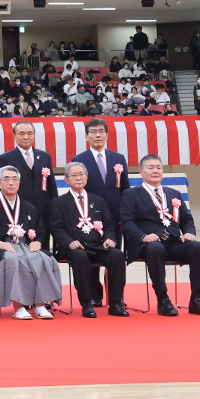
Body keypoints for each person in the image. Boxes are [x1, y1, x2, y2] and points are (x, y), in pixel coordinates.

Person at [120, 154, 200, 316]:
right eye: (150, 168)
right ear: (141, 172)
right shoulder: (131, 194)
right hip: (147, 244)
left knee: (199, 247)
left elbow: (186, 219)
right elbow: (126, 222)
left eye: (158, 167)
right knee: (156, 248)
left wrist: (189, 233)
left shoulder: (174, 193)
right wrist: (143, 236)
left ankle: (196, 299)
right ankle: (162, 298)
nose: (155, 171)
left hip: (172, 242)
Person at [0, 165, 62, 320]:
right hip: (4, 247)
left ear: (19, 183)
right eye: (6, 179)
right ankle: (19, 305)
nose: (11, 182)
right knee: (14, 260)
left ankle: (40, 304)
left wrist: (36, 241)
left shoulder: (29, 207)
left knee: (43, 259)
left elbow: (40, 228)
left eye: (14, 179)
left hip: (26, 245)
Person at [50, 162, 129, 318]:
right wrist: (68, 242)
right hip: (74, 248)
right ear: (66, 180)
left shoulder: (98, 200)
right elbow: (56, 228)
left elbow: (109, 226)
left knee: (117, 255)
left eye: (81, 175)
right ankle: (87, 302)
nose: (78, 178)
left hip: (98, 246)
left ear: (86, 178)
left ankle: (115, 303)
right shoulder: (58, 203)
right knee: (80, 256)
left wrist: (109, 239)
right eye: (74, 175)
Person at [70, 117, 129, 305]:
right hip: (88, 217)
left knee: (115, 256)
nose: (98, 135)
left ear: (107, 134)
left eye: (101, 131)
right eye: (93, 132)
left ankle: (116, 297)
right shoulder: (78, 160)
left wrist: (125, 215)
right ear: (86, 136)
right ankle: (95, 295)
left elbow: (125, 190)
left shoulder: (118, 159)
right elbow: (77, 189)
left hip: (115, 216)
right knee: (91, 255)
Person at [0, 121, 59, 249]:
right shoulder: (6, 158)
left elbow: (51, 186)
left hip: (43, 211)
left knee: (43, 249)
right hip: (19, 212)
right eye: (22, 133)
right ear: (14, 135)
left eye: (30, 133)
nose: (26, 137)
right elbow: (1, 188)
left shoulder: (45, 156)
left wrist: (54, 208)